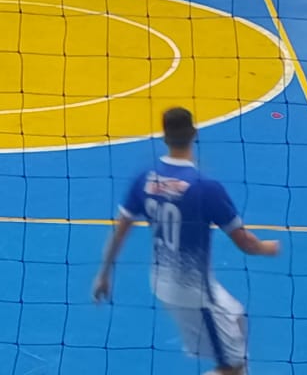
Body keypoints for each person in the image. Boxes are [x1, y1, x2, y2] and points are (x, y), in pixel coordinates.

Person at [93, 107, 280, 375]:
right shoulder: (206, 187)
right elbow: (246, 244)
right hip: (193, 291)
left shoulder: (145, 179)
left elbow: (120, 231)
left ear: (164, 136)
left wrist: (103, 274)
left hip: (165, 280)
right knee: (235, 368)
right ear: (194, 133)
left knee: (236, 318)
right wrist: (269, 248)